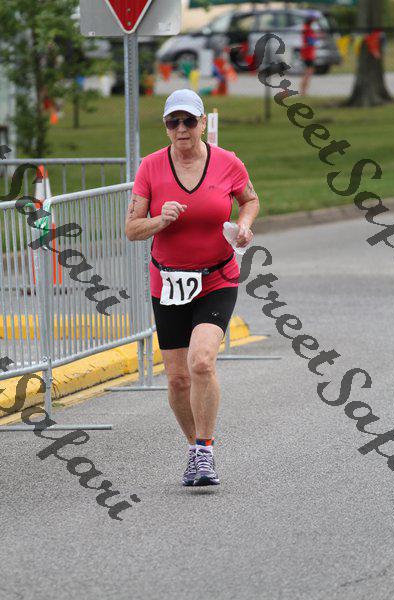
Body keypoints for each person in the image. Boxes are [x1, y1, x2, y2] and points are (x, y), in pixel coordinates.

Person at [125, 89, 259, 487]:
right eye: (173, 122)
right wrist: (159, 220)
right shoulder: (150, 167)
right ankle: (193, 448)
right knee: (178, 379)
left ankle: (205, 451)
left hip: (217, 277)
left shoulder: (227, 162)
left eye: (188, 121)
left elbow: (250, 199)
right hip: (168, 282)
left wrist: (245, 225)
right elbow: (132, 229)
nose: (181, 129)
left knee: (201, 362)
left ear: (202, 123)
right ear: (166, 127)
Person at [299, 16, 317, 97]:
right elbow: (311, 41)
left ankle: (303, 91)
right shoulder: (308, 29)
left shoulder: (305, 28)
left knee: (308, 72)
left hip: (307, 53)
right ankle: (303, 92)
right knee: (308, 72)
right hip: (308, 54)